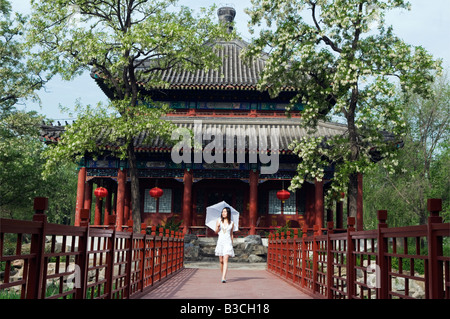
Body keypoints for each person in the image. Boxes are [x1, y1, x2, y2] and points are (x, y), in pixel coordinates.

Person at [214, 207, 235, 283]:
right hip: (220, 242)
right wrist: (218, 226)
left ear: (228, 213)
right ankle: (222, 274)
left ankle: (223, 277)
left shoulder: (232, 223)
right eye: (222, 212)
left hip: (228, 242)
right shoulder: (219, 220)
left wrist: (231, 244)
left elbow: (231, 234)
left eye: (225, 212)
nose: (223, 213)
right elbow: (216, 232)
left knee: (225, 258)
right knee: (221, 260)